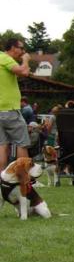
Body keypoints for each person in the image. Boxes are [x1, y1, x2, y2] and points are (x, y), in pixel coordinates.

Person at [0, 38, 31, 170]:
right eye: (21, 48)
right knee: (22, 143)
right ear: (13, 47)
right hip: (10, 109)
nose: (23, 51)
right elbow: (24, 72)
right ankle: (25, 178)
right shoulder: (5, 58)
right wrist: (26, 60)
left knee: (2, 145)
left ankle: (2, 179)